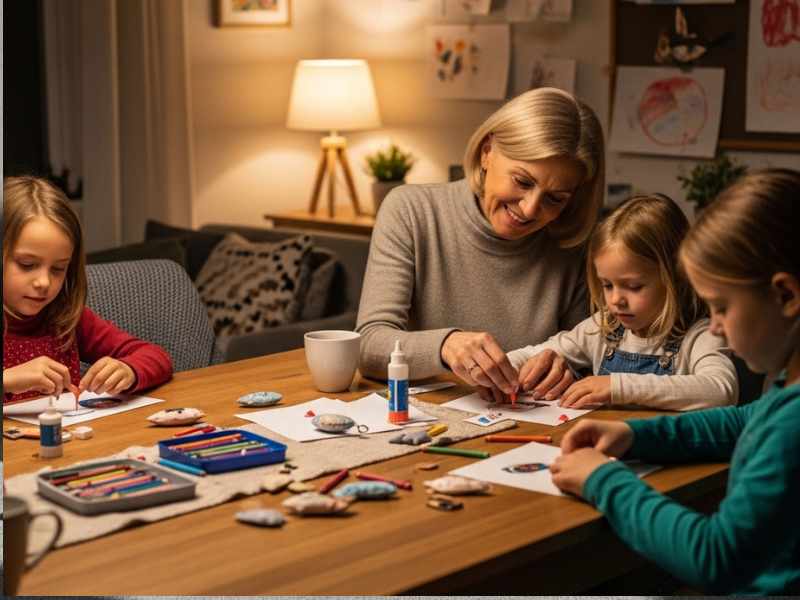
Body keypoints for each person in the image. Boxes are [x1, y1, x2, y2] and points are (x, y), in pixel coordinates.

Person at [550, 169, 800, 595]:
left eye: (721, 307)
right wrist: (632, 434)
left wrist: (602, 480)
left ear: (787, 296)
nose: (717, 327)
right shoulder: (786, 389)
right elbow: (738, 423)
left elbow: (714, 557)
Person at [356, 87, 605, 393]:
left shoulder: (576, 248)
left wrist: (568, 370)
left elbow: (590, 358)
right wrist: (447, 345)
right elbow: (368, 345)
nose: (530, 209)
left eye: (555, 199)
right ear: (487, 152)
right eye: (522, 181)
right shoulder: (411, 211)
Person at [501, 194, 738, 410]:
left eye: (634, 287)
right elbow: (541, 352)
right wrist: (505, 368)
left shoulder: (702, 334)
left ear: (675, 278)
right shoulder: (605, 327)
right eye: (607, 285)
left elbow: (720, 390)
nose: (616, 300)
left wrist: (617, 387)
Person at [3, 176, 173, 403]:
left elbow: (156, 356)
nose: (44, 282)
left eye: (58, 269)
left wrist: (128, 370)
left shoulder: (65, 317)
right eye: (27, 265)